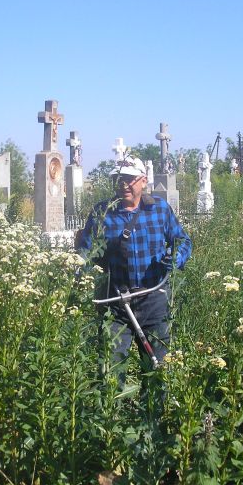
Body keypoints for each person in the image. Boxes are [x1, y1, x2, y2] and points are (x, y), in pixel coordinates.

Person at [76, 156, 192, 379]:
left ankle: (154, 413)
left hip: (153, 298)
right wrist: (76, 272)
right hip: (116, 303)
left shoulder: (159, 209)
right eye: (118, 179)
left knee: (157, 368)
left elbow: (182, 240)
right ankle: (110, 412)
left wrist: (176, 258)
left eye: (129, 179)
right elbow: (86, 253)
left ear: (143, 181)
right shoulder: (102, 213)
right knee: (110, 370)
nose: (123, 184)